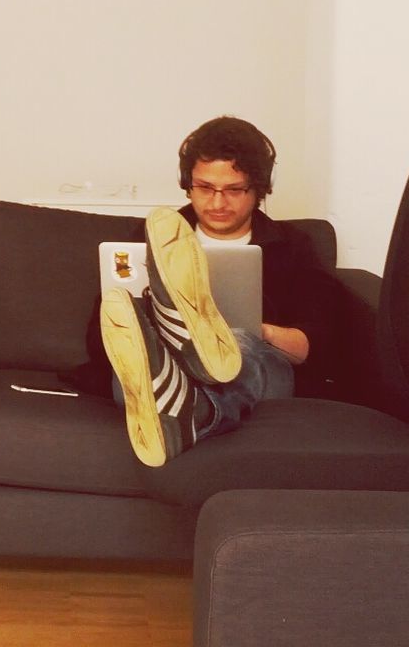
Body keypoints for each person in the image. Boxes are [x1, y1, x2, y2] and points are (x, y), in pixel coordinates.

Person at [98, 116, 335, 467]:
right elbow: (101, 333)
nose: (217, 203)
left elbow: (312, 347)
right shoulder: (151, 238)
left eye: (234, 189)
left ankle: (184, 398)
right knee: (134, 369)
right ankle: (199, 408)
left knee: (239, 345)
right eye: (204, 187)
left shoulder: (293, 247)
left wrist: (250, 332)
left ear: (258, 190)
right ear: (187, 185)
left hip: (258, 367)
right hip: (170, 360)